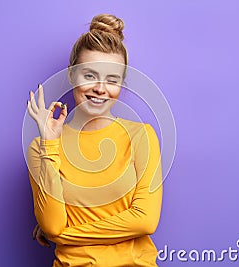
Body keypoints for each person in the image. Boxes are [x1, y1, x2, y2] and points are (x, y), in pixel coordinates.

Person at [26, 13, 163, 267]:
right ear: (71, 75)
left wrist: (64, 234)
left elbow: (146, 220)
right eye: (90, 76)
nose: (101, 88)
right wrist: (50, 143)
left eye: (112, 79)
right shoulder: (41, 148)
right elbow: (52, 223)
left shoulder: (142, 136)